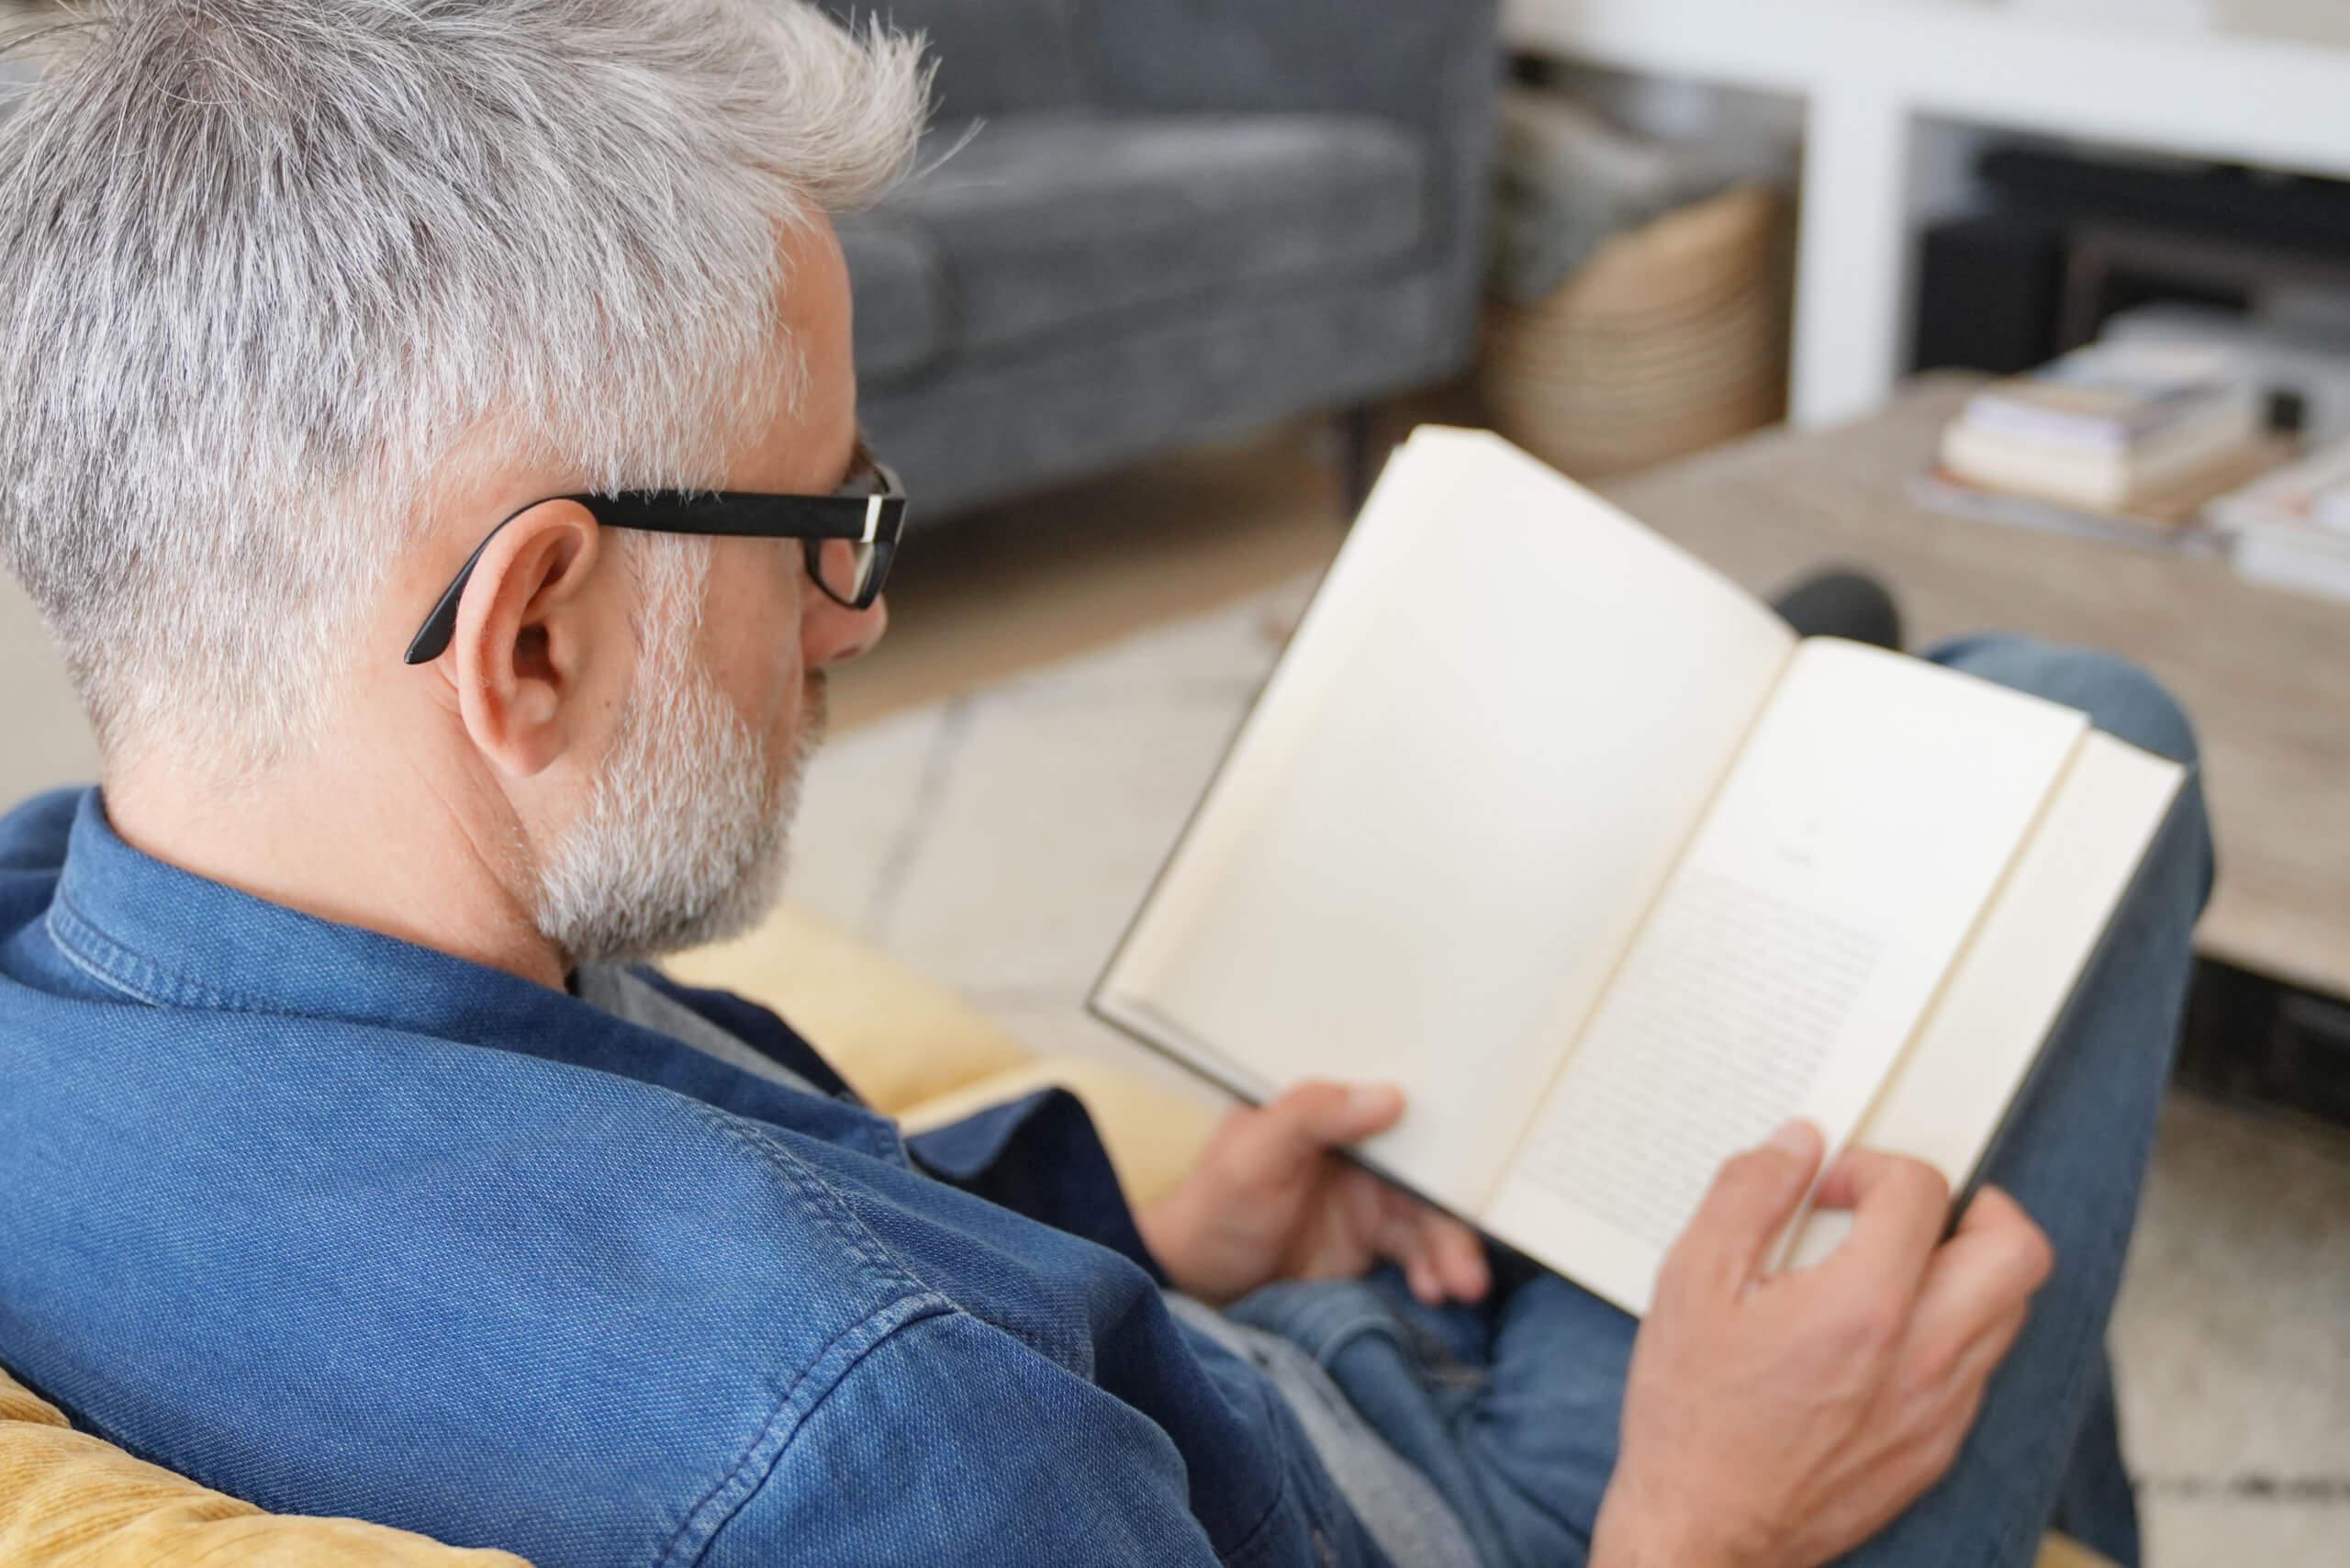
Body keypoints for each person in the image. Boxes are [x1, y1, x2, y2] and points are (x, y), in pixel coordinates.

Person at [0, 4, 2209, 1566]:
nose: (857, 619)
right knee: (2072, 733)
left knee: (1957, 779)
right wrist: (1703, 1522)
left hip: (1265, 1350)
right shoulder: (879, 1445)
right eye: (826, 527)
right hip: (1511, 1518)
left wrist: (1163, 1236)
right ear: (535, 636)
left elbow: (649, 1187)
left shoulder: (68, 940)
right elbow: (796, 1353)